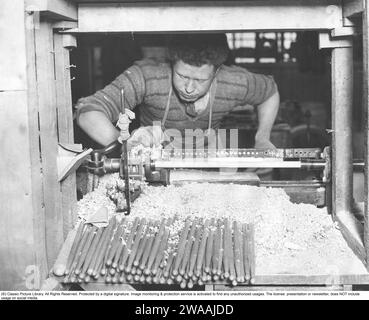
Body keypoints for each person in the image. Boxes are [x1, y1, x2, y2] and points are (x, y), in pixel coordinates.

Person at [75, 33, 280, 150]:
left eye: (200, 80)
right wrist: (125, 147)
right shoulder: (147, 76)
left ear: (217, 72)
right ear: (172, 64)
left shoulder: (233, 81)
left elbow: (269, 92)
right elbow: (88, 111)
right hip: (155, 174)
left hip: (205, 172)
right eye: (182, 76)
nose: (189, 88)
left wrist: (262, 137)